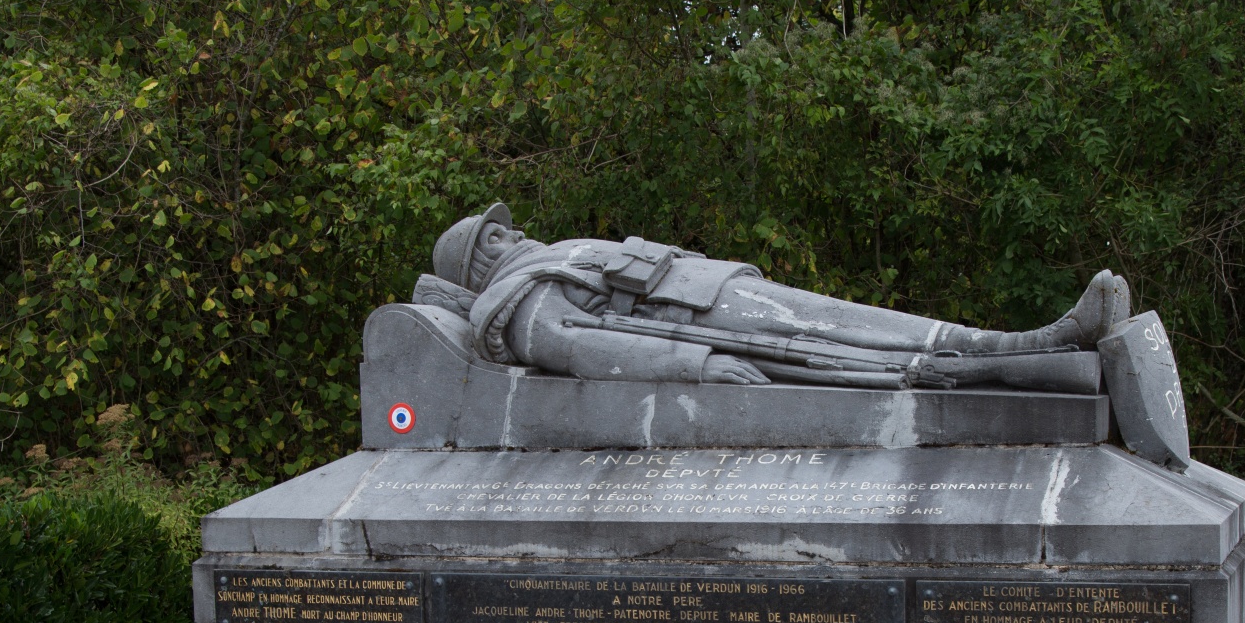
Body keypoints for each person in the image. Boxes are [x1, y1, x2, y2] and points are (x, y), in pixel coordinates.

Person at [421, 202, 1130, 388]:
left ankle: (1039, 343)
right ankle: (1037, 350)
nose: (507, 239)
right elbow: (587, 347)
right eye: (488, 243)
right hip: (702, 323)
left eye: (500, 232)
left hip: (718, 288)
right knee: (865, 351)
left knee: (869, 322)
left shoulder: (550, 254)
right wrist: (696, 368)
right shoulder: (516, 303)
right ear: (476, 273)